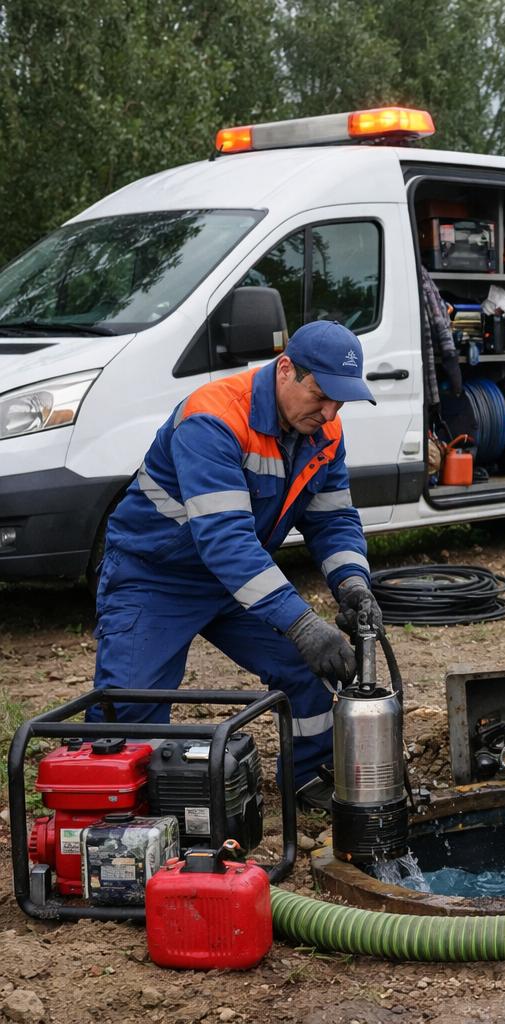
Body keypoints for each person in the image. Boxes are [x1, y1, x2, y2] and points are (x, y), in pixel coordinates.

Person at [90, 320, 385, 804]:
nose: (330, 411)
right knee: (131, 703)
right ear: (286, 369)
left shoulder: (325, 430)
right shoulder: (213, 418)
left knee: (310, 668)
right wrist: (303, 623)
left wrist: (354, 584)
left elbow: (332, 520)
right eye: (320, 395)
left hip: (240, 579)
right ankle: (115, 811)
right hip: (156, 576)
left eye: (341, 400)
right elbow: (224, 540)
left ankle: (308, 779)